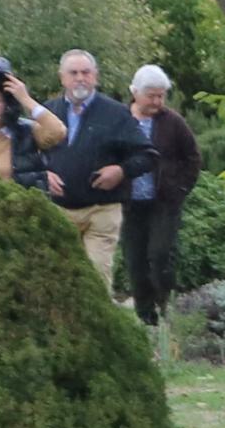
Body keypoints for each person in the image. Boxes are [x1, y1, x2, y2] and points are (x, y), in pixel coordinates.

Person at [46, 47, 151, 287]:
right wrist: (43, 173)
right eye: (73, 73)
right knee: (58, 281)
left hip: (102, 211)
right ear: (62, 77)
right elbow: (28, 156)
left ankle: (97, 325)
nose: (80, 78)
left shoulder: (116, 114)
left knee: (96, 281)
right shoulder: (48, 112)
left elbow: (147, 155)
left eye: (86, 72)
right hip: (59, 211)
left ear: (96, 76)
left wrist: (122, 171)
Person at [126, 65, 200, 329]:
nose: (157, 102)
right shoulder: (121, 119)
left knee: (159, 254)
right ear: (135, 93)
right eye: (152, 96)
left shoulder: (173, 122)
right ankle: (145, 314)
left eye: (161, 96)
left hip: (163, 202)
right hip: (129, 202)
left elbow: (193, 157)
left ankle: (166, 304)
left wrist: (179, 189)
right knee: (135, 259)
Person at [0, 58, 69, 190]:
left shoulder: (26, 131)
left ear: (7, 103)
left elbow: (58, 131)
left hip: (22, 206)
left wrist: (25, 99)